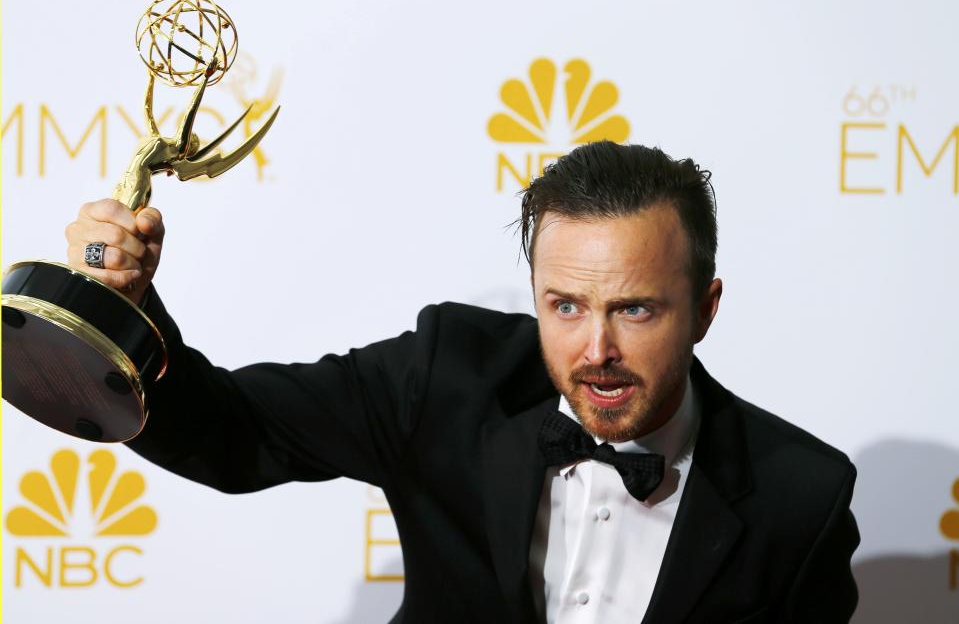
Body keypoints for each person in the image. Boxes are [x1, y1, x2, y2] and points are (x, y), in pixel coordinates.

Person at [65, 141, 860, 623]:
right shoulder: (447, 375)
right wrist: (122, 311)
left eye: (637, 309)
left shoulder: (801, 497)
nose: (597, 348)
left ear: (704, 309)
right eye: (565, 306)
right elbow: (234, 434)